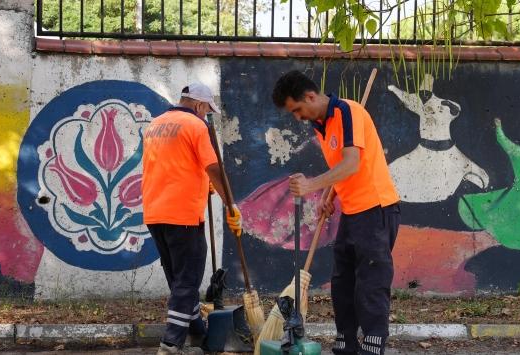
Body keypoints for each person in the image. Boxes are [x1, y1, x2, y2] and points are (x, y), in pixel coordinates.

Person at [272, 70, 401, 355]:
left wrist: (310, 186)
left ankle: (373, 344)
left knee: (370, 282)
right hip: (352, 211)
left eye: (297, 110)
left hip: (376, 209)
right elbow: (342, 171)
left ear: (310, 96)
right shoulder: (322, 126)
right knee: (342, 282)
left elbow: (352, 164)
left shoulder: (347, 112)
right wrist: (326, 196)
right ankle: (346, 342)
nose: (297, 117)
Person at [142, 83, 243, 355]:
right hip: (183, 215)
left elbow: (176, 166)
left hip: (154, 213)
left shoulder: (156, 125)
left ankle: (198, 332)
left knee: (179, 281)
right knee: (187, 281)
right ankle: (171, 344)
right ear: (199, 105)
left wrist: (202, 184)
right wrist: (230, 204)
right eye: (208, 110)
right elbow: (213, 168)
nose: (207, 115)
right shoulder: (196, 126)